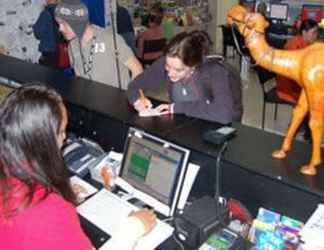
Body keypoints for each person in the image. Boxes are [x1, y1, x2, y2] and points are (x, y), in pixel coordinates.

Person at [0, 84, 156, 250]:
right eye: (61, 132)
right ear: (43, 141)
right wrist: (133, 229)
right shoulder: (48, 211)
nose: (64, 138)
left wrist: (55, 189)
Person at [126, 31, 243, 124]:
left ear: (193, 66)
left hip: (215, 128)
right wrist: (137, 100)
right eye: (168, 66)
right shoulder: (169, 61)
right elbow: (134, 86)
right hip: (184, 125)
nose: (170, 73)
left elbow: (224, 114)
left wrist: (177, 108)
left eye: (178, 70)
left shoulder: (215, 71)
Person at [55, 0, 143, 90]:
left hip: (118, 101)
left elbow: (137, 69)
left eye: (64, 24)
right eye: (58, 24)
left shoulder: (109, 39)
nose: (60, 29)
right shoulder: (72, 46)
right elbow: (79, 77)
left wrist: (132, 96)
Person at [276, 19, 318, 104]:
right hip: (289, 89)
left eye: (316, 33)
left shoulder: (305, 44)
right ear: (304, 32)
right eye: (313, 33)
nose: (315, 36)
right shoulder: (294, 46)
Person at [33, 0, 60, 68]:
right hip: (60, 49)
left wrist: (35, 27)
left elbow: (38, 33)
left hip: (48, 50)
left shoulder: (46, 13)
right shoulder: (62, 12)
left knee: (46, 75)